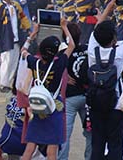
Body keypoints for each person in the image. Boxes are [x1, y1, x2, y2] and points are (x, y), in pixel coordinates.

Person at [87, 0, 123, 160]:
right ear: (114, 39)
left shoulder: (92, 51)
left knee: (97, 144)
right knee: (116, 145)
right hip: (115, 104)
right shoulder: (119, 53)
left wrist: (108, 8)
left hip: (95, 102)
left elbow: (97, 29)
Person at [21, 18, 75, 160]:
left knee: (29, 148)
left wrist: (33, 34)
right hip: (54, 107)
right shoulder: (59, 64)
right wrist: (64, 27)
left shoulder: (34, 62)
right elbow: (71, 45)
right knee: (52, 151)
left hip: (38, 107)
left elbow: (23, 51)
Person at [59, 22, 91, 160]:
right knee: (90, 133)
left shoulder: (62, 54)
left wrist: (64, 76)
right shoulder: (88, 49)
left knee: (65, 134)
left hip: (70, 97)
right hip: (87, 95)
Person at [0, 0, 30, 91]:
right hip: (6, 37)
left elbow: (23, 17)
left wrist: (27, 27)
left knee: (14, 61)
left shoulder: (16, 5)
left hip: (16, 36)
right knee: (6, 61)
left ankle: (9, 83)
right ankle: (3, 83)